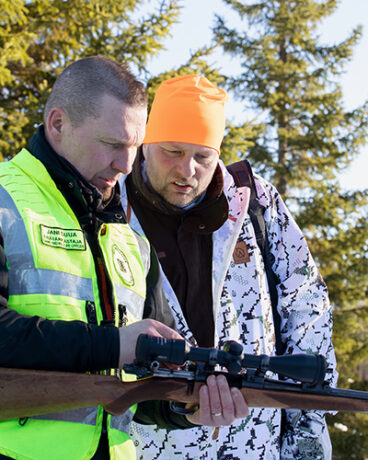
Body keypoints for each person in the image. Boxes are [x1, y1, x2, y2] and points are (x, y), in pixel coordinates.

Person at [0, 58, 248, 460]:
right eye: (114, 144)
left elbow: (145, 390)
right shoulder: (3, 201)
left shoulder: (131, 242)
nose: (127, 165)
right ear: (57, 124)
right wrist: (112, 345)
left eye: (135, 147)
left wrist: (190, 406)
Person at [119, 74, 338, 460]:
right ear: (145, 144)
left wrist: (306, 437)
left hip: (256, 445)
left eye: (203, 156)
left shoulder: (253, 202)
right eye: (172, 151)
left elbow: (308, 311)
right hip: (147, 447)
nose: (187, 170)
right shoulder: (111, 209)